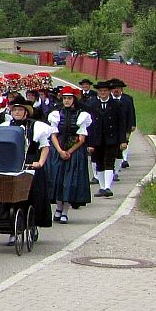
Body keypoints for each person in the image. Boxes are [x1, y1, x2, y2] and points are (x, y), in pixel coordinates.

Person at [0, 98, 52, 245]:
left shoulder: (36, 126)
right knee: (11, 197)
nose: (17, 112)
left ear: (25, 112)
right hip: (11, 163)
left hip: (31, 163)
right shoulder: (5, 126)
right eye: (15, 110)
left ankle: (32, 224)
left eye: (20, 110)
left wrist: (40, 163)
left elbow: (45, 146)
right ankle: (12, 230)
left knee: (33, 196)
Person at [45, 86, 92, 224]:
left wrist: (69, 152)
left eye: (69, 98)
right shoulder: (56, 114)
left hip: (74, 152)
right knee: (58, 180)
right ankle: (58, 208)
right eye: (65, 98)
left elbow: (82, 138)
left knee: (69, 182)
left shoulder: (82, 115)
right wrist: (60, 151)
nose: (66, 101)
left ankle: (65, 211)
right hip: (58, 150)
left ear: (74, 100)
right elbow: (53, 134)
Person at [86, 80, 127, 198]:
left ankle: (108, 187)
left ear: (109, 92)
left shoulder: (116, 105)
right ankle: (102, 187)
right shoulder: (92, 105)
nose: (103, 93)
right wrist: (89, 143)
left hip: (111, 139)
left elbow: (121, 123)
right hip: (96, 139)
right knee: (99, 163)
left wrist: (123, 140)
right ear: (98, 92)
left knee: (109, 162)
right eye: (100, 91)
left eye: (105, 91)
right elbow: (88, 126)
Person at [109, 78, 135, 174]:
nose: (116, 90)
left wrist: (132, 125)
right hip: (111, 127)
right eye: (114, 88)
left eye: (118, 88)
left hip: (124, 126)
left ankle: (124, 159)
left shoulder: (127, 99)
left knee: (124, 142)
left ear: (121, 89)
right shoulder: (108, 99)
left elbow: (131, 113)